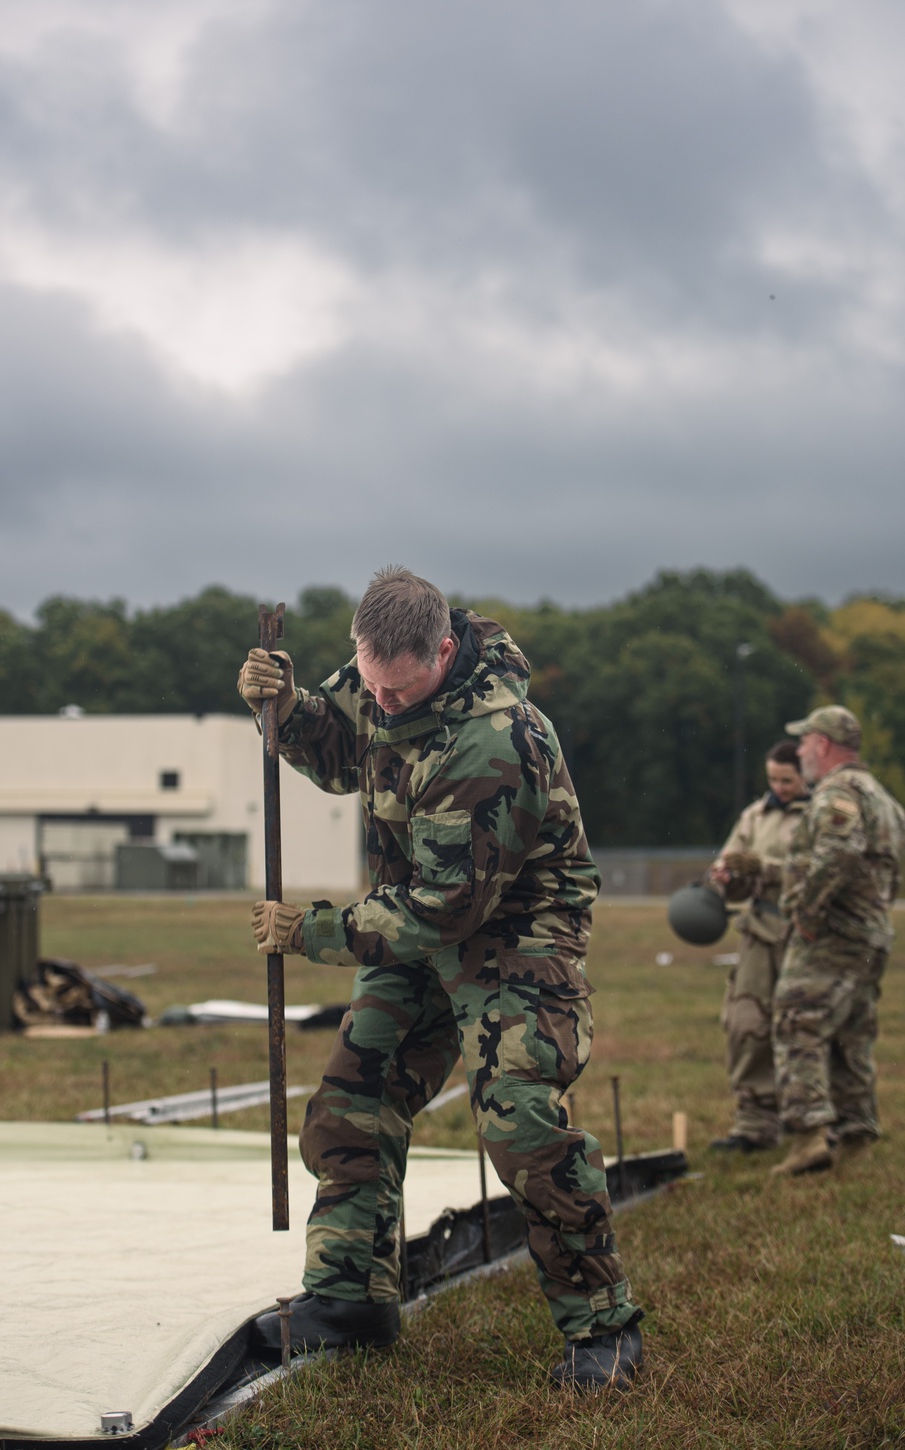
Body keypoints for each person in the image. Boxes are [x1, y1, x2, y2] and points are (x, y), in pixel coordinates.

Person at [238, 567, 643, 1390]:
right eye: (369, 682)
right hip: (420, 916)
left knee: (520, 1123)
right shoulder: (379, 676)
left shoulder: (495, 739)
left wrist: (315, 930)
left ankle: (604, 1327)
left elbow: (445, 907)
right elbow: (339, 751)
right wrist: (278, 709)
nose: (381, 703)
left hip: (513, 930)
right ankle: (351, 1300)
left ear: (444, 651)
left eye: (397, 689)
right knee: (352, 1102)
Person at [770, 705, 905, 1177]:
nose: (801, 751)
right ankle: (857, 1138)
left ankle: (808, 1137)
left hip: (832, 936)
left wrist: (807, 913)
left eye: (805, 743)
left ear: (823, 745)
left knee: (796, 1021)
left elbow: (839, 853)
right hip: (871, 935)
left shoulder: (838, 793)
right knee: (853, 1036)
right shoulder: (884, 799)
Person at [707, 742, 809, 1153]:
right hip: (760, 931)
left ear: (807, 775)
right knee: (745, 1022)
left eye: (788, 779)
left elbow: (820, 873)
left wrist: (764, 869)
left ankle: (821, 1121)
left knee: (806, 1027)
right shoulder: (756, 815)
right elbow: (730, 862)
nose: (780, 787)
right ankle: (755, 1123)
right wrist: (727, 876)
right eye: (773, 779)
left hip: (807, 933)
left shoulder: (820, 816)